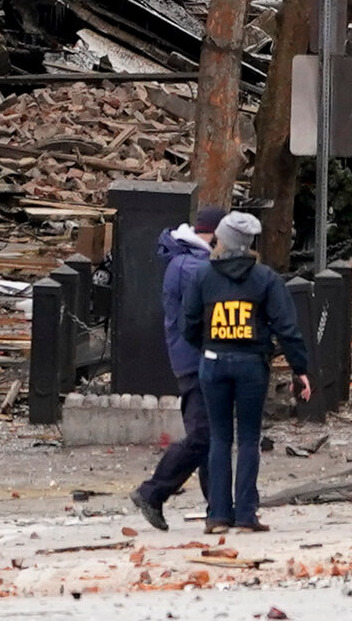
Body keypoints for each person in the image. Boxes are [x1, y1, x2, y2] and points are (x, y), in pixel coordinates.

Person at [179, 210, 313, 532]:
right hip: (252, 364)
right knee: (249, 438)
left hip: (213, 362)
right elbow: (286, 327)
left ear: (222, 240)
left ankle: (217, 515)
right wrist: (300, 367)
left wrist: (208, 346)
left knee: (219, 438)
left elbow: (188, 324)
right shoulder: (266, 279)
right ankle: (246, 515)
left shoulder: (203, 276)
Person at [128, 203, 225, 531]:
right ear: (216, 235)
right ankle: (152, 492)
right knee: (203, 435)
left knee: (211, 436)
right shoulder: (192, 267)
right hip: (197, 362)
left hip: (195, 360)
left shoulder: (187, 261)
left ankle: (218, 509)